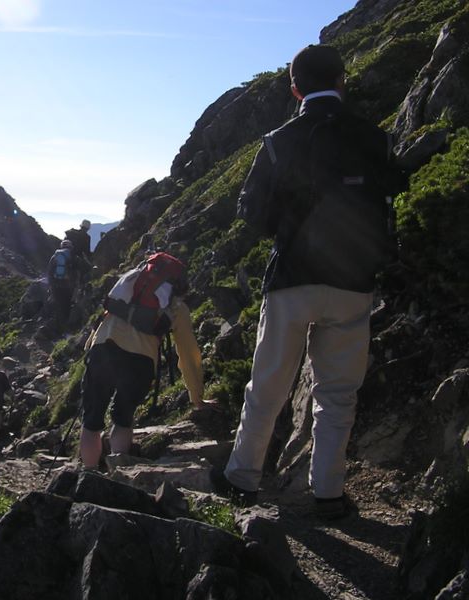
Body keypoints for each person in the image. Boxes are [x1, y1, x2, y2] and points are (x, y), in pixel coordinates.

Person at [211, 45, 403, 518]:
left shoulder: (278, 140)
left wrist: (287, 224)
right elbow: (394, 185)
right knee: (337, 393)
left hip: (292, 279)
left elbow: (250, 212)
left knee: (268, 387)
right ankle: (328, 494)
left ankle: (242, 480)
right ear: (342, 80)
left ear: (294, 87)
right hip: (354, 280)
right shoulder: (371, 137)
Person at [79, 257, 204, 470]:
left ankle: (88, 476)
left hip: (103, 350)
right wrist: (197, 396)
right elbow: (189, 354)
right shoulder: (176, 305)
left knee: (91, 422)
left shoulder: (128, 285)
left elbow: (103, 319)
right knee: (123, 420)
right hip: (140, 361)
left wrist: (89, 351)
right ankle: (118, 472)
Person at [47, 239, 77, 333]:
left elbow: (49, 272)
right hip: (67, 286)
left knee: (58, 306)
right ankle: (66, 328)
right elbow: (79, 267)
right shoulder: (72, 256)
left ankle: (57, 328)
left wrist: (51, 286)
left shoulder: (55, 256)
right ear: (70, 247)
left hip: (56, 285)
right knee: (67, 305)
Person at [64, 220, 93, 286]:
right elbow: (86, 252)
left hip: (66, 256)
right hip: (76, 258)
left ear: (81, 226)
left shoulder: (70, 233)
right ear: (88, 228)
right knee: (87, 269)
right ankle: (81, 286)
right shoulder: (86, 237)